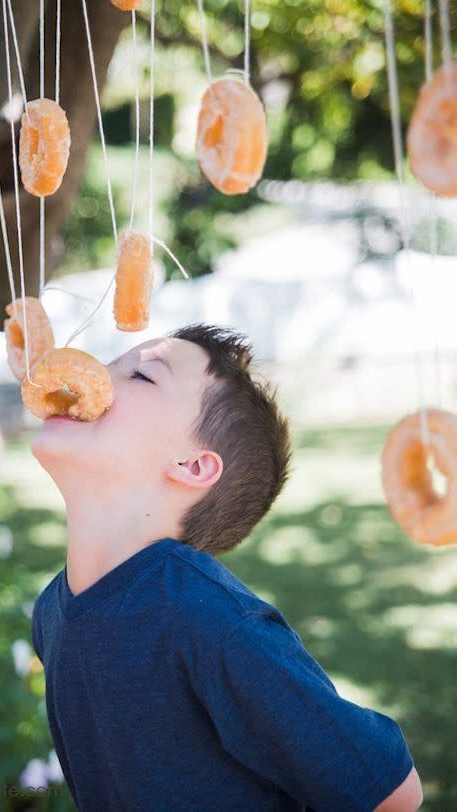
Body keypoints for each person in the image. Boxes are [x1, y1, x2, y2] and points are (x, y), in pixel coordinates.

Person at [30, 322, 423, 811]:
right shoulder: (52, 613)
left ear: (192, 465)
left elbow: (391, 791)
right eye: (112, 363)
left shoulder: (208, 621)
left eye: (142, 376)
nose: (100, 377)